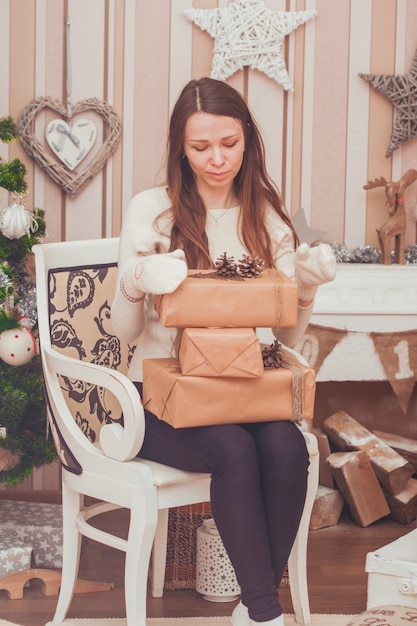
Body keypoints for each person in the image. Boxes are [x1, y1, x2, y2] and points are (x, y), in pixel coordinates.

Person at [111, 77, 336, 626]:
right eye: (200, 146)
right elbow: (122, 331)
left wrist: (304, 288)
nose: (217, 159)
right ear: (179, 149)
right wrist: (137, 279)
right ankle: (265, 613)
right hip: (161, 393)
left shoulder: (270, 216)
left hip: (244, 387)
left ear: (248, 141)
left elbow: (282, 339)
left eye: (229, 144)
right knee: (234, 453)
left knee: (287, 451)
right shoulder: (153, 210)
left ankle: (253, 607)